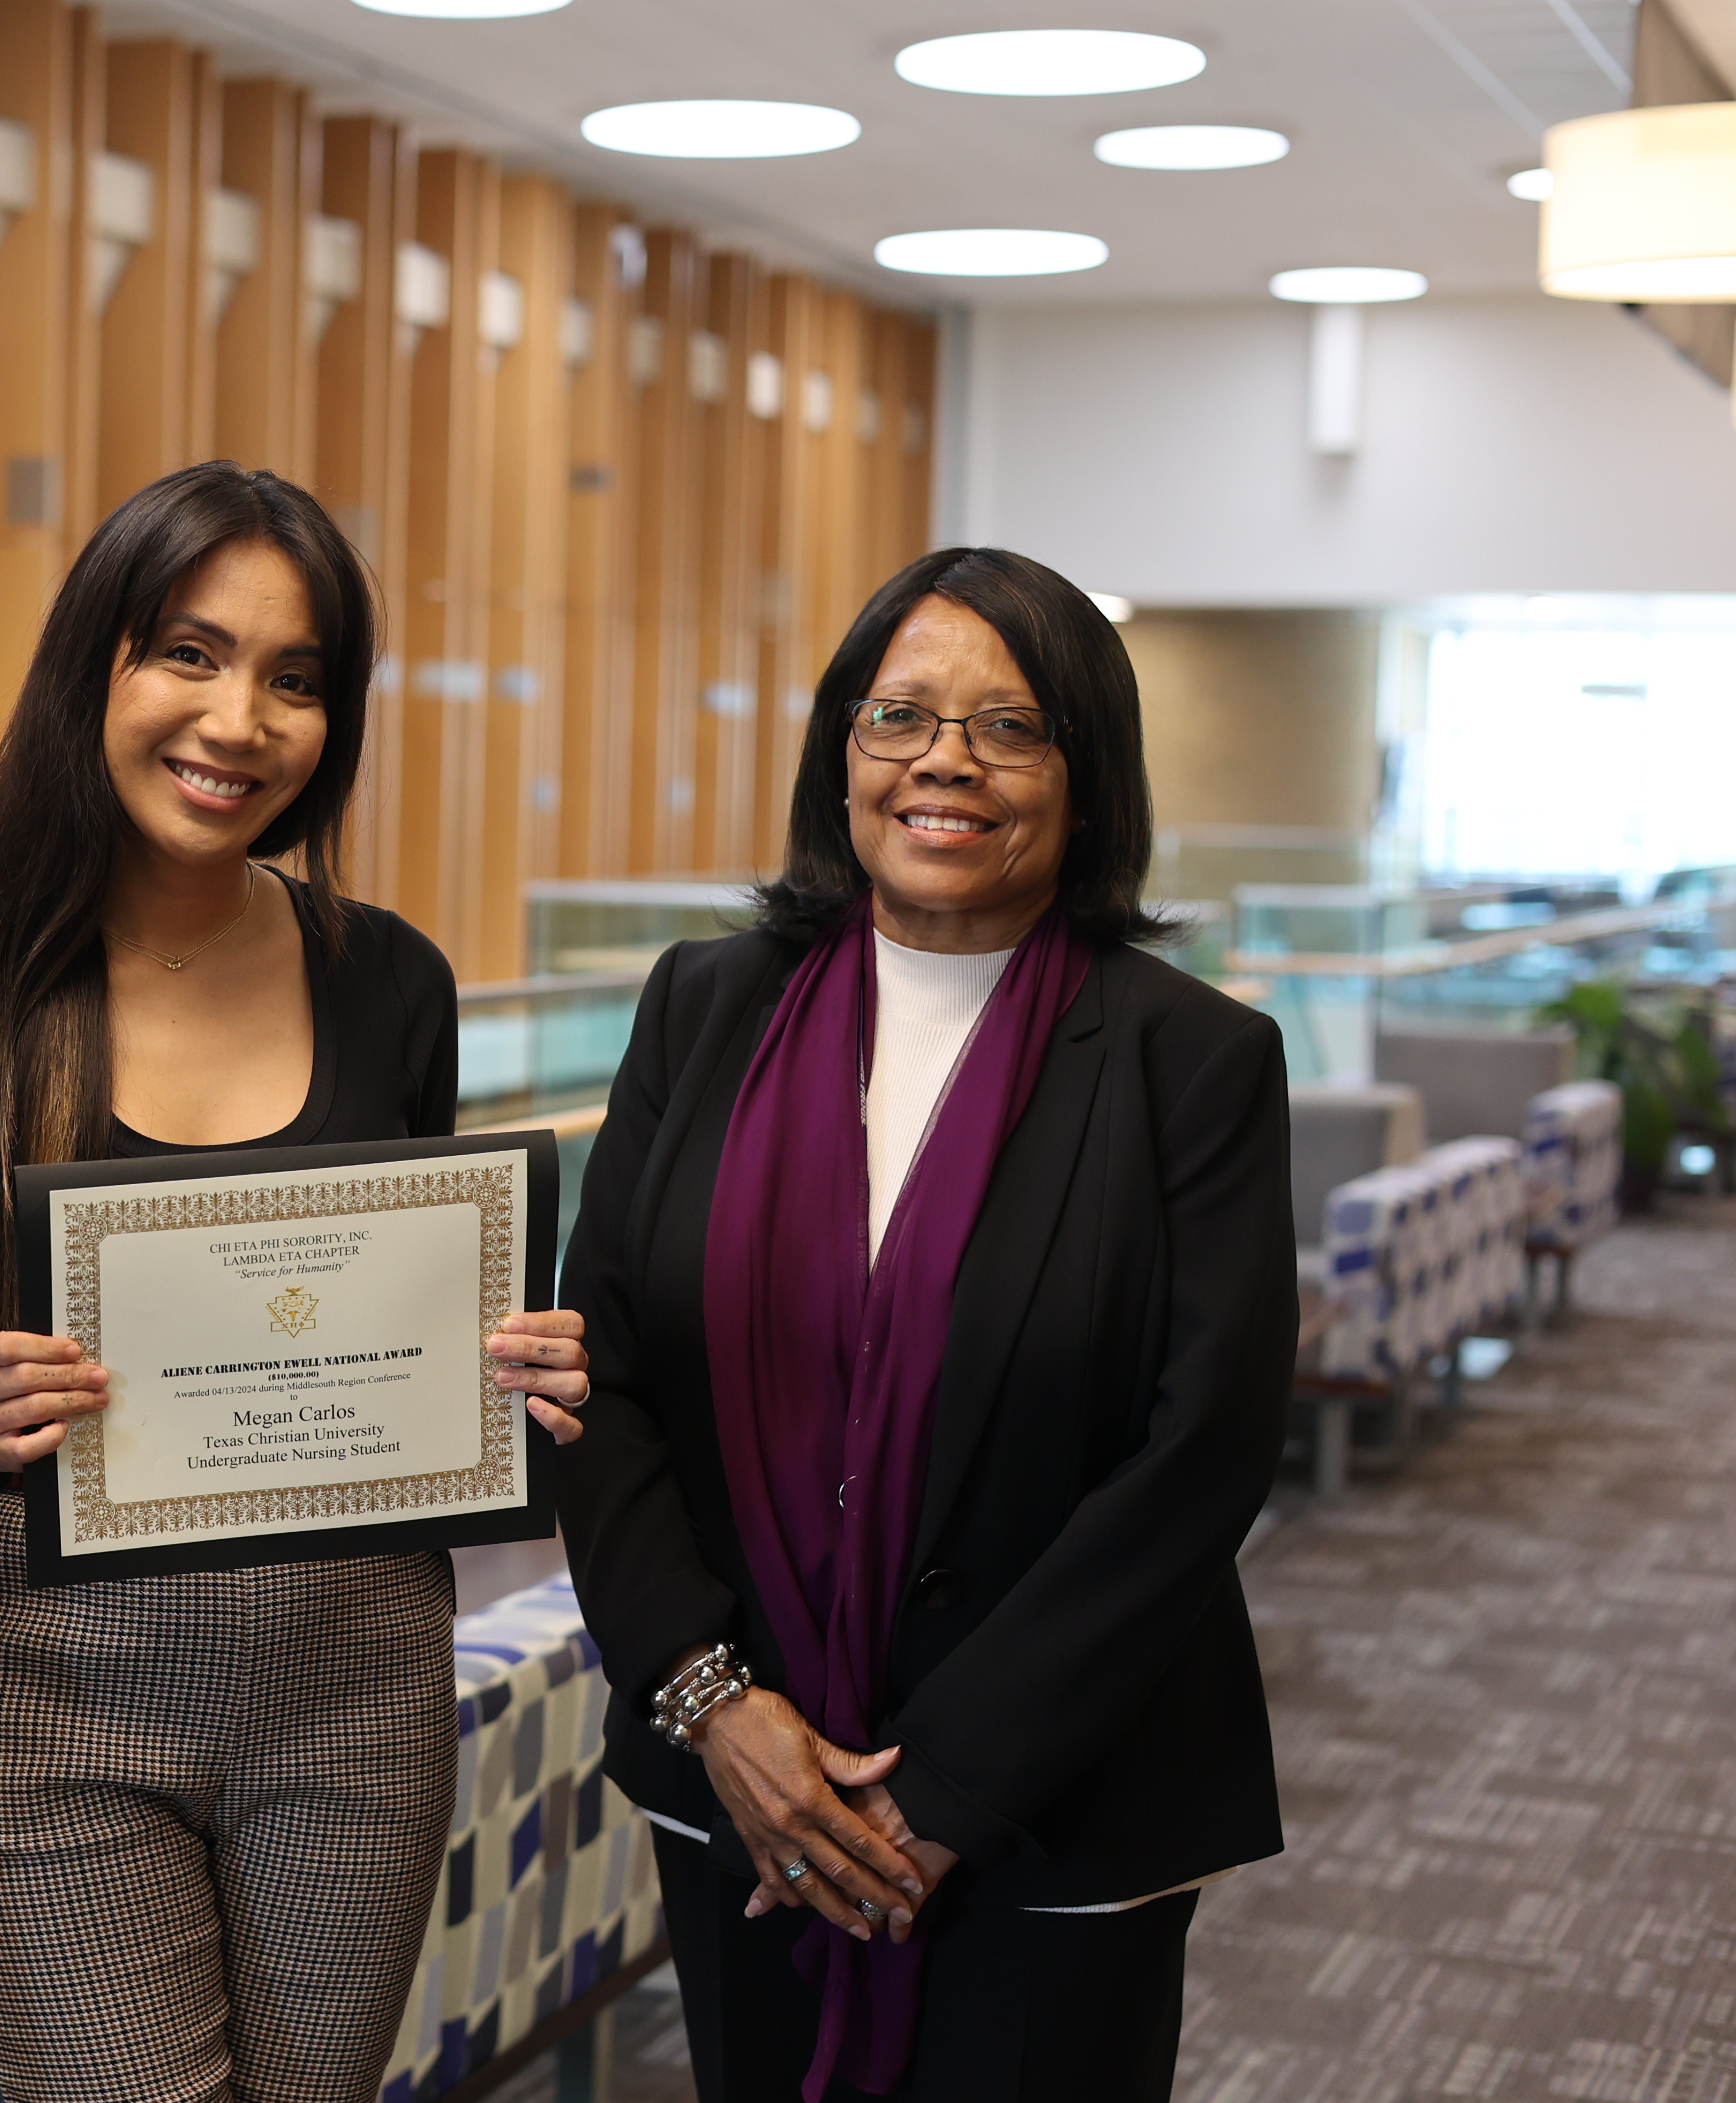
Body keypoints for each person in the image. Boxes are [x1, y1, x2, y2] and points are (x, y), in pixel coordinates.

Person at [0, 462, 593, 2101]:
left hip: (357, 1688)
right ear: (97, 672)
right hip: (60, 1712)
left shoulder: (389, 978)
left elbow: (413, 1316)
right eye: (188, 655)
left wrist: (514, 1374)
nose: (240, 720)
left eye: (296, 679)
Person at [553, 547, 1293, 2102]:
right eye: (902, 716)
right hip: (740, 1782)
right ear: (843, 754)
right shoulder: (702, 1007)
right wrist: (713, 1702)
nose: (947, 760)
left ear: (1086, 779)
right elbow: (605, 1382)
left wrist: (941, 1793)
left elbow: (1201, 1455)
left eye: (1012, 728)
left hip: (1059, 1800)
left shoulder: (1194, 1061)